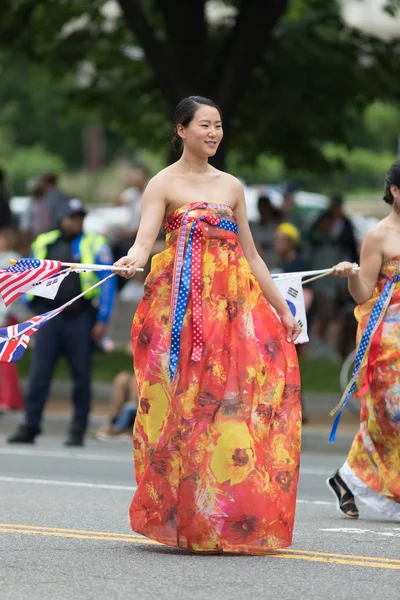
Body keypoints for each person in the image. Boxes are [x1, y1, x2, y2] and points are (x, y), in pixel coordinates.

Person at [114, 95, 302, 554]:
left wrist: (281, 308)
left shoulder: (232, 186)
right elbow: (144, 243)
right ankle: (188, 514)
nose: (214, 133)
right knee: (186, 409)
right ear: (181, 130)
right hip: (182, 313)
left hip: (234, 311)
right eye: (204, 125)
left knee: (234, 406)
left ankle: (229, 513)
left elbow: (253, 255)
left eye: (218, 125)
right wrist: (131, 261)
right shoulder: (162, 184)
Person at [7, 198, 117, 447]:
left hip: (80, 317)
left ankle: (77, 430)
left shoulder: (94, 242)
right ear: (61, 218)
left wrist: (103, 319)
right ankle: (30, 427)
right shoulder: (45, 241)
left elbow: (107, 282)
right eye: (72, 217)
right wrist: (28, 305)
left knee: (81, 376)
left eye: (80, 218)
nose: (76, 222)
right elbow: (27, 273)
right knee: (39, 375)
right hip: (49, 316)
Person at [326, 160, 400, 521]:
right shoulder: (379, 235)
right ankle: (352, 476)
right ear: (395, 192)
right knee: (390, 413)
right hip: (388, 336)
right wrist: (350, 276)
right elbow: (363, 294)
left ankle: (346, 477)